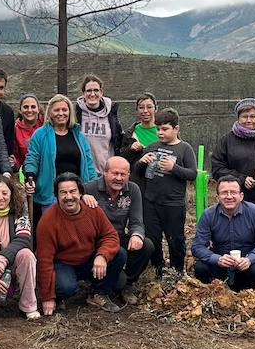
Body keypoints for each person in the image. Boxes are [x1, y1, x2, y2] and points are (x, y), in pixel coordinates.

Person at [35, 173, 123, 315]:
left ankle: (98, 293)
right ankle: (59, 297)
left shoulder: (93, 210)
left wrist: (102, 256)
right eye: (63, 192)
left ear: (81, 192)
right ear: (56, 196)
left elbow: (110, 236)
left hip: (88, 259)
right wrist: (47, 297)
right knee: (66, 287)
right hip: (63, 263)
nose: (68, 196)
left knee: (119, 254)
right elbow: (44, 260)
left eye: (72, 191)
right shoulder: (48, 221)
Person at [134, 109, 198, 276]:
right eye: (158, 129)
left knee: (175, 239)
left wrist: (173, 168)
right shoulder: (152, 147)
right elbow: (137, 172)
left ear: (176, 129)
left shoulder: (184, 149)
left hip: (173, 203)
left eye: (165, 129)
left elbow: (192, 174)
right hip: (151, 201)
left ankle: (177, 270)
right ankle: (157, 268)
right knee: (153, 237)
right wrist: (141, 162)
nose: (160, 133)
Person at [83, 155, 152, 299]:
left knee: (147, 245)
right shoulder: (89, 188)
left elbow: (137, 220)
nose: (119, 178)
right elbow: (67, 198)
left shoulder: (133, 189)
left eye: (123, 174)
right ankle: (98, 287)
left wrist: (136, 235)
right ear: (105, 172)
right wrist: (81, 197)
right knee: (116, 280)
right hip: (97, 240)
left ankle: (128, 284)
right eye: (115, 173)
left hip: (119, 235)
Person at [210, 98, 255, 226]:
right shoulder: (226, 141)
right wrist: (241, 179)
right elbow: (217, 169)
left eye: (253, 116)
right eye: (245, 116)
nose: (249, 120)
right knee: (237, 237)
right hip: (234, 201)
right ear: (238, 118)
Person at [24, 95, 98, 222]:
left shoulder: (78, 135)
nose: (61, 113)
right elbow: (32, 158)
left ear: (70, 112)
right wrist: (30, 177)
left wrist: (92, 188)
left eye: (64, 110)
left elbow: (89, 163)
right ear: (50, 113)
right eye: (57, 110)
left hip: (76, 193)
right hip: (50, 193)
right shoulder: (40, 134)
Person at [0, 174, 39, 319]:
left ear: (11, 194)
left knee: (27, 255)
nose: (0, 197)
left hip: (10, 263)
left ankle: (28, 306)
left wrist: (3, 258)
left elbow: (24, 239)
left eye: (5, 193)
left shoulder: (20, 211)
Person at [191, 177, 255, 290]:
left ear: (241, 196)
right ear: (217, 197)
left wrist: (250, 259)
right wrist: (217, 259)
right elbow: (197, 246)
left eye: (233, 192)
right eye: (224, 193)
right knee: (201, 268)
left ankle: (251, 295)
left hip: (247, 263)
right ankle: (213, 293)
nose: (229, 196)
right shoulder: (208, 215)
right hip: (221, 262)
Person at [76, 74, 123, 167]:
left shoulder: (111, 113)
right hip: (83, 171)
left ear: (101, 92)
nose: (92, 94)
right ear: (83, 93)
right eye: (88, 91)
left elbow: (119, 140)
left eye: (96, 90)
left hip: (106, 171)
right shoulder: (76, 113)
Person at [121, 94, 160, 166]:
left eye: (149, 107)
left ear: (156, 109)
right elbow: (123, 158)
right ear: (137, 110)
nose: (145, 111)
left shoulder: (164, 132)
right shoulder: (130, 133)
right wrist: (131, 149)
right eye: (141, 107)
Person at [10, 94, 43, 173]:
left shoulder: (46, 124)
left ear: (38, 109)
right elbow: (17, 157)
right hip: (27, 172)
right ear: (20, 110)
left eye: (33, 107)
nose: (29, 110)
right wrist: (14, 164)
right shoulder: (15, 129)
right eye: (25, 107)